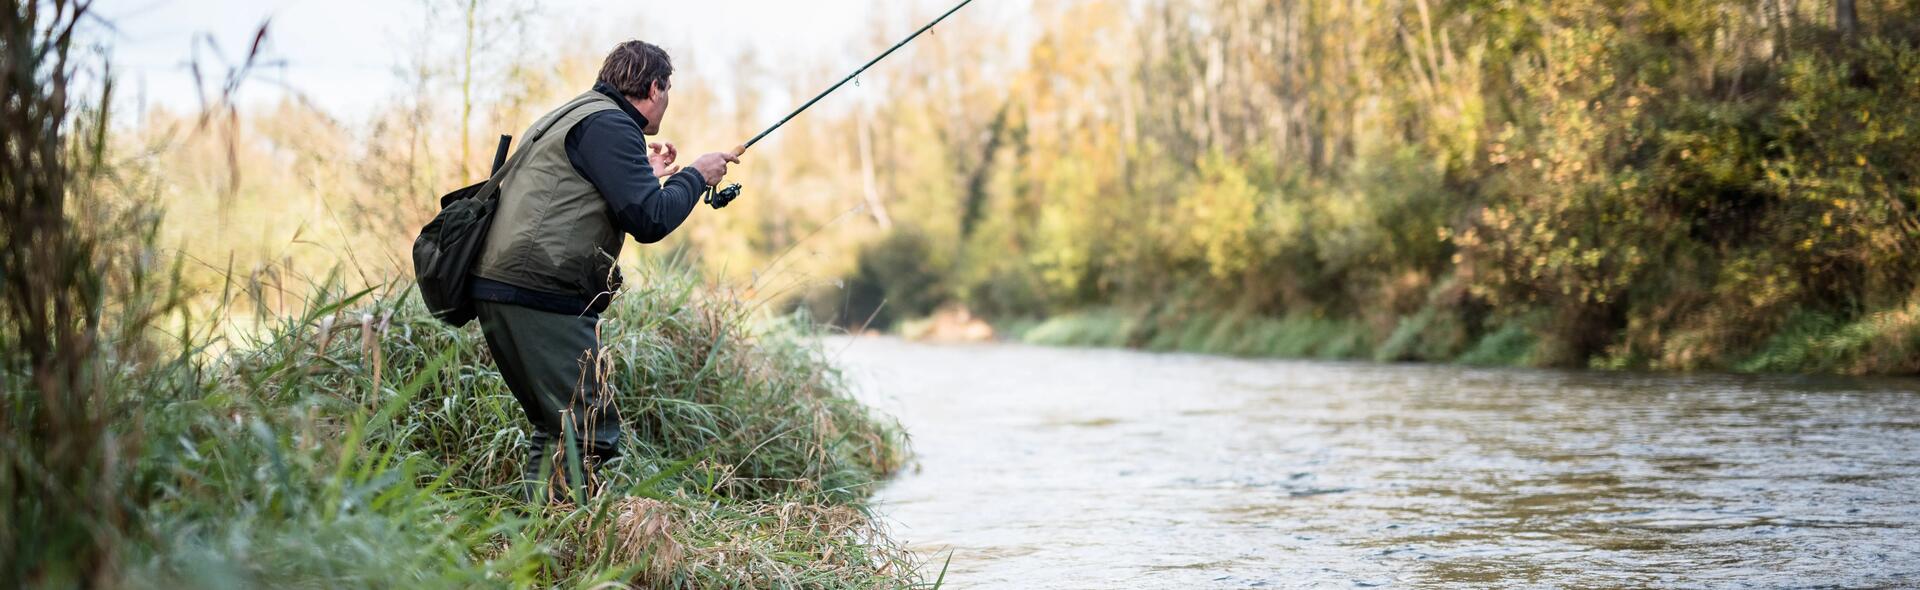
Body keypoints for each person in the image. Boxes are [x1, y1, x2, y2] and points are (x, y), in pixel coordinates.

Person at [468, 40, 738, 501]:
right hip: (539, 291)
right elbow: (649, 220)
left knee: (559, 425)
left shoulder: (582, 113)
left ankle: (535, 546)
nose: (667, 102)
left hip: (501, 285)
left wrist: (645, 172)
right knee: (587, 426)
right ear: (654, 87)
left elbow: (578, 190)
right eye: (667, 90)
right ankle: (559, 549)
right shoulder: (612, 125)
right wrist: (696, 175)